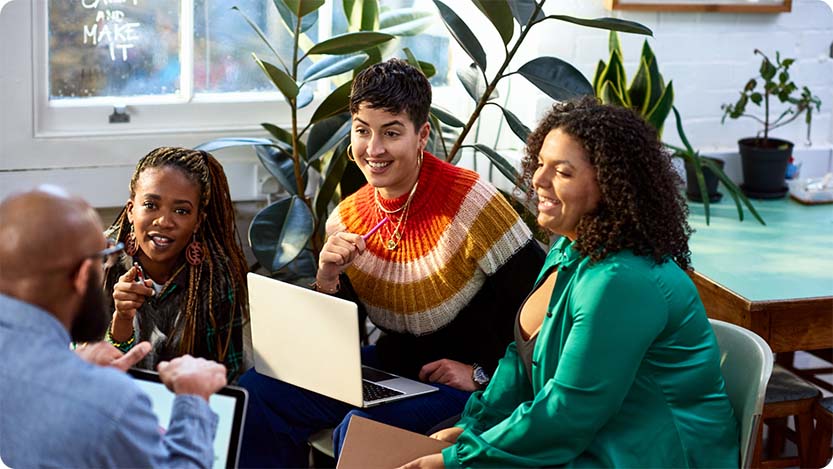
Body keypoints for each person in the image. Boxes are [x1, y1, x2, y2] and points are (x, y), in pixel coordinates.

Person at [400, 97, 741, 468]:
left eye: (562, 172)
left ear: (612, 183)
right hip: (592, 439)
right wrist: (475, 428)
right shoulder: (569, 246)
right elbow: (519, 367)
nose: (539, 180)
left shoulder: (622, 281)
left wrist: (459, 460)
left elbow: (569, 413)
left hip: (648, 455)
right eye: (541, 164)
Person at [237, 58, 546, 467]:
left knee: (362, 428)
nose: (374, 149)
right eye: (363, 131)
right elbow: (334, 343)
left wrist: (482, 374)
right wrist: (328, 279)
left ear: (423, 135)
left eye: (391, 132)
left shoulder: (474, 203)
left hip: (470, 382)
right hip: (392, 370)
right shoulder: (346, 218)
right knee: (257, 389)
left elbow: (545, 309)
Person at [0, 187, 228, 468]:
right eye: (104, 256)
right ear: (83, 275)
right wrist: (193, 400)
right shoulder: (113, 403)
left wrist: (70, 366)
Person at [103, 147, 250, 380]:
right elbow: (82, 369)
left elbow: (225, 379)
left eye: (181, 211)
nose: (164, 221)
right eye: (151, 205)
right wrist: (121, 319)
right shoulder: (99, 261)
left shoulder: (217, 279)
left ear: (197, 222)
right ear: (131, 210)